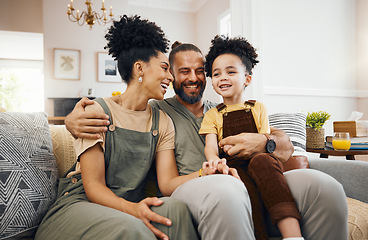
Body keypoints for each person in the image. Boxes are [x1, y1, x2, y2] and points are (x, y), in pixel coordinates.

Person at [65, 39, 349, 239]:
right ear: (171, 75)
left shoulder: (225, 108)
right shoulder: (158, 110)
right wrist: (71, 120)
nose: (193, 78)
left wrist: (266, 143)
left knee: (324, 187)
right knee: (226, 190)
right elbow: (124, 110)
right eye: (182, 71)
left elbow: (285, 148)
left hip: (248, 177)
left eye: (201, 70)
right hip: (198, 186)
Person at [35, 15, 238, 240]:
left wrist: (204, 173)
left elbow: (168, 182)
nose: (170, 77)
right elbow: (93, 187)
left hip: (129, 203)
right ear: (139, 68)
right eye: (164, 68)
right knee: (134, 229)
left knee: (177, 211)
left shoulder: (162, 121)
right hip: (82, 203)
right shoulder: (95, 112)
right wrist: (133, 210)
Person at [200, 35, 303, 240]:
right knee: (241, 187)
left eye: (231, 72)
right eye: (216, 74)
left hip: (260, 161)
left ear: (247, 78)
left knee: (263, 160)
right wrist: (214, 160)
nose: (223, 77)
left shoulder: (258, 108)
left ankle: (293, 236)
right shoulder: (212, 115)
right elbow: (211, 146)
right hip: (234, 165)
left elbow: (264, 141)